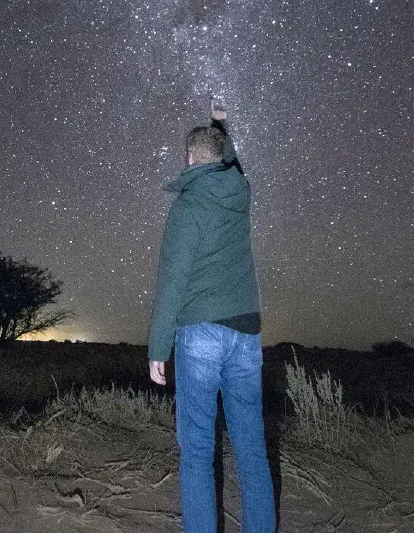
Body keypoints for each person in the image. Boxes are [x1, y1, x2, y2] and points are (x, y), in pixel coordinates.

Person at [148, 99, 276, 533]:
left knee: (198, 452)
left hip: (201, 332)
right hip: (246, 333)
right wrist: (221, 125)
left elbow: (172, 280)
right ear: (220, 157)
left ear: (188, 159)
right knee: (252, 449)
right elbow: (232, 162)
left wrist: (158, 347)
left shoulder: (187, 207)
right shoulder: (241, 194)